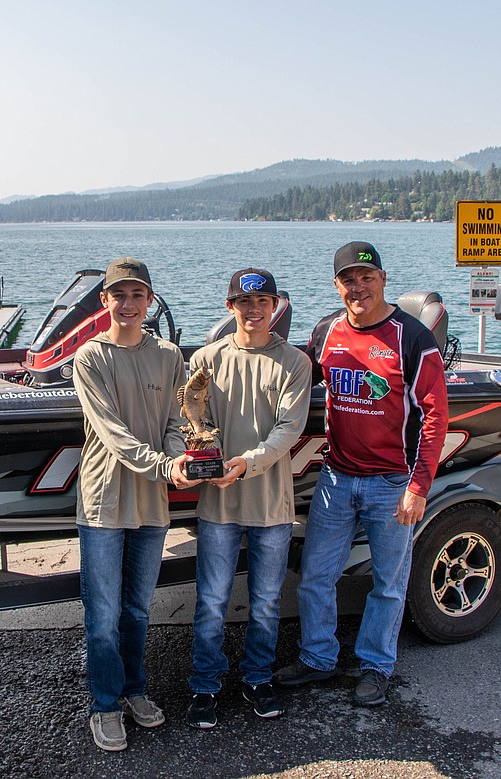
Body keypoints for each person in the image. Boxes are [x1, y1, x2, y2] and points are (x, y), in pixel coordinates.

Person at [275, 241, 448, 706]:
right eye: (348, 280)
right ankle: (317, 658)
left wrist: (418, 486)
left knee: (388, 584)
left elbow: (436, 417)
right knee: (315, 577)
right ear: (336, 286)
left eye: (366, 277)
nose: (358, 287)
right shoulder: (325, 332)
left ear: (383, 279)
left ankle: (376, 665)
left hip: (393, 484)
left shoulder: (411, 338)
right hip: (336, 479)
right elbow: (291, 381)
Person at [72, 257, 196, 752]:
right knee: (102, 614)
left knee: (138, 610)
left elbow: (173, 420)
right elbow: (113, 434)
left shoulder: (169, 356)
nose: (128, 304)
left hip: (151, 504)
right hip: (103, 500)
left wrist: (180, 456)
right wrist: (167, 467)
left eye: (137, 295)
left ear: (150, 302)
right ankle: (104, 704)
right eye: (118, 295)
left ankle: (134, 690)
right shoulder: (89, 357)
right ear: (105, 302)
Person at [184, 268, 312, 729]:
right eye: (244, 302)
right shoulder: (207, 359)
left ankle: (258, 677)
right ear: (230, 307)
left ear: (275, 305)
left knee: (266, 601)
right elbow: (192, 415)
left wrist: (246, 463)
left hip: (271, 505)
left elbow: (289, 429)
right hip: (217, 504)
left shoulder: (295, 362)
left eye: (263, 302)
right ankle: (205, 683)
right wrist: (199, 451)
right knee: (212, 600)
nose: (254, 310)